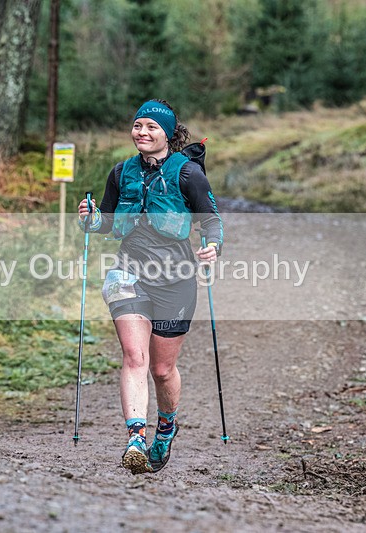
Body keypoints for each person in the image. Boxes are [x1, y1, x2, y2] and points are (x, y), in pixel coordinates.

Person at [78, 99, 222, 474]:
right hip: (128, 274)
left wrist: (213, 246)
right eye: (138, 125)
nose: (142, 132)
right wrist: (90, 221)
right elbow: (107, 223)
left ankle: (166, 427)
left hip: (175, 280)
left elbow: (211, 220)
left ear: (168, 134)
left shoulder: (188, 173)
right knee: (134, 357)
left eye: (151, 127)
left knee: (161, 369)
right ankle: (135, 439)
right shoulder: (120, 172)